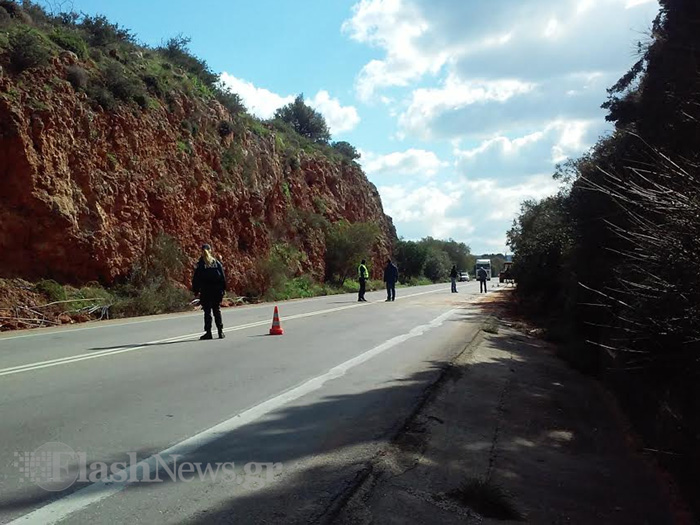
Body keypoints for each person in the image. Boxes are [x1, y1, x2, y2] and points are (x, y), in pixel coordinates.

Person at [192, 243, 226, 340]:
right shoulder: (216, 262)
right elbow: (223, 277)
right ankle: (220, 332)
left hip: (206, 291)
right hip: (216, 291)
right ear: (210, 250)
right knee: (216, 310)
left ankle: (209, 333)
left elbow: (196, 278)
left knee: (207, 312)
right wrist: (223, 290)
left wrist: (196, 291)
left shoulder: (201, 264)